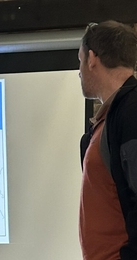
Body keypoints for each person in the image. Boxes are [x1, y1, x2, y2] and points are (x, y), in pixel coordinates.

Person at [79, 20, 137, 259]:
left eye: (79, 60)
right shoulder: (109, 119)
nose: (79, 71)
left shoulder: (132, 111)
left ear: (92, 58)